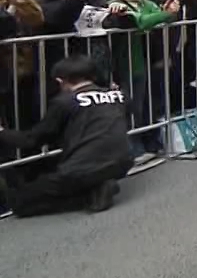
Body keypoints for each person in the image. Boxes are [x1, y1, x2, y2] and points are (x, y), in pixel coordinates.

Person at [0, 54, 134, 216]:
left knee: (19, 202)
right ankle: (97, 186)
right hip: (123, 162)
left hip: (82, 169)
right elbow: (127, 111)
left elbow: (31, 140)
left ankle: (90, 196)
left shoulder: (64, 102)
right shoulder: (119, 95)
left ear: (60, 81)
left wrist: (2, 132)